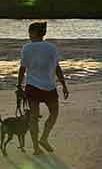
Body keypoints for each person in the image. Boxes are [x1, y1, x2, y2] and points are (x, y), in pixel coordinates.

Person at [16, 21, 69, 155]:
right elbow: (57, 67)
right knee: (54, 113)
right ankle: (44, 138)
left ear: (34, 33)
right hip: (49, 86)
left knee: (33, 117)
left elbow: (22, 68)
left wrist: (18, 85)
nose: (29, 35)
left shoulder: (27, 48)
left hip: (32, 86)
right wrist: (63, 85)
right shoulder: (51, 47)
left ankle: (36, 147)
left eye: (29, 32)